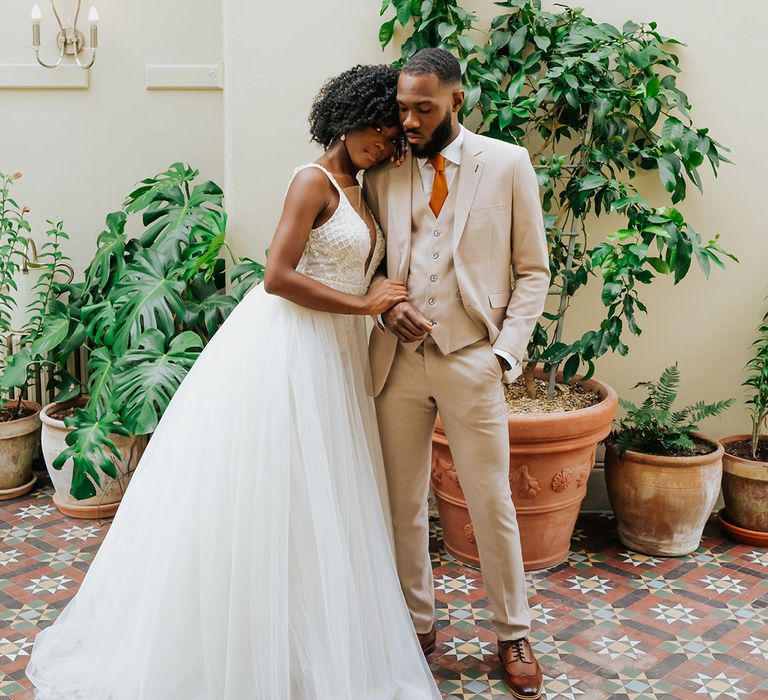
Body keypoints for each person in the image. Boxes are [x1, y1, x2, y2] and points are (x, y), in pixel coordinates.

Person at [26, 64, 441, 700]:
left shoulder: (365, 186)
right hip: (287, 348)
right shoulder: (313, 181)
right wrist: (365, 305)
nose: (385, 143)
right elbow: (276, 276)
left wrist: (376, 304)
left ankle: (305, 643)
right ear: (347, 118)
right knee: (266, 490)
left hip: (334, 356)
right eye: (377, 130)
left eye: (392, 136)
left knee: (316, 497)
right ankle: (240, 647)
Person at [364, 48, 550, 700]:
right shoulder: (383, 174)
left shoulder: (505, 164)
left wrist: (505, 353)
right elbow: (371, 263)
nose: (409, 121)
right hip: (399, 363)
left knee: (490, 500)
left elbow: (534, 270)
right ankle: (417, 624)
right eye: (403, 108)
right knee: (403, 504)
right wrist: (389, 311)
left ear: (455, 102)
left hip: (474, 356)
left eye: (423, 108)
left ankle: (512, 631)